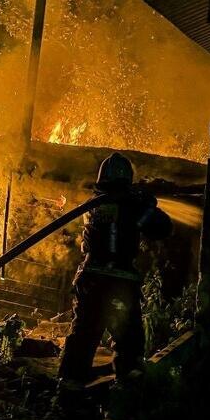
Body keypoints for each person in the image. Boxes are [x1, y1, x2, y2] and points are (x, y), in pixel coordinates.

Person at [57, 152, 172, 401]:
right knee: (127, 337)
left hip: (91, 279)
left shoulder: (94, 205)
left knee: (84, 333)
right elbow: (162, 228)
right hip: (119, 282)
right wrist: (149, 205)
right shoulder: (133, 208)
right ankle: (126, 389)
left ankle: (69, 390)